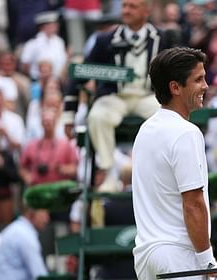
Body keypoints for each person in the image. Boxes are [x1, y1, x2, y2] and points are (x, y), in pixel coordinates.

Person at [132, 47, 216, 280]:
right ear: (175, 87)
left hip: (148, 258)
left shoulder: (146, 130)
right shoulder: (186, 133)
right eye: (198, 80)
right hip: (181, 260)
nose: (206, 86)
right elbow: (193, 203)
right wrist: (207, 261)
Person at [64, 0, 174, 188]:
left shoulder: (163, 39)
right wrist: (69, 115)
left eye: (132, 6)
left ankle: (162, 173)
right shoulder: (104, 40)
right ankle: (108, 172)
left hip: (148, 96)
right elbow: (80, 74)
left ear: (146, 11)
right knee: (98, 116)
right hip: (115, 98)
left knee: (169, 118)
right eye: (124, 6)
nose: (126, 10)